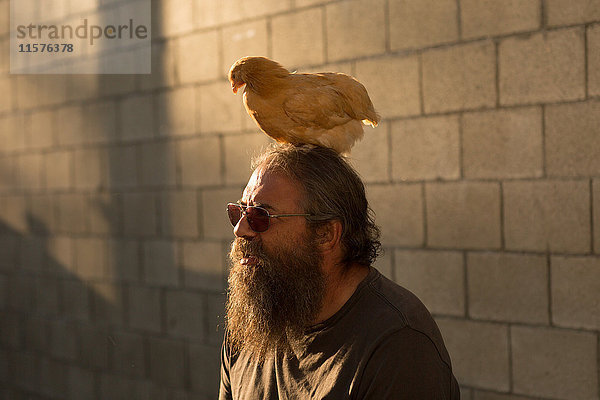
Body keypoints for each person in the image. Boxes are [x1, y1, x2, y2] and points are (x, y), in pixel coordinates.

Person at [219, 144, 460, 399]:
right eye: (239, 212)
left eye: (260, 216)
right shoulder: (254, 323)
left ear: (325, 234)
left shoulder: (398, 342)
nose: (240, 229)